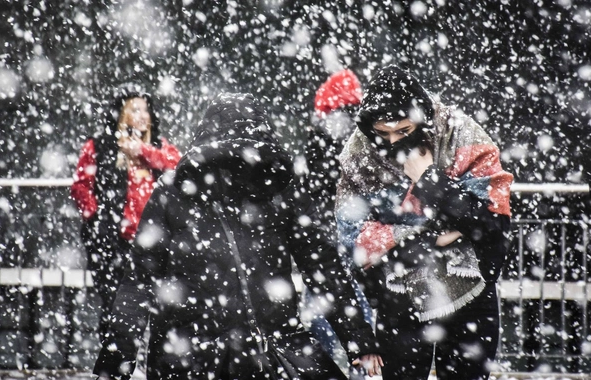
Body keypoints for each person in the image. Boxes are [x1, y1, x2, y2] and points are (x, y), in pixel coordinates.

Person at [93, 92, 383, 380]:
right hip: (264, 352)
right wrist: (358, 340)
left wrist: (114, 362)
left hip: (193, 356)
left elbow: (139, 281)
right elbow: (323, 267)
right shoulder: (276, 187)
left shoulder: (175, 192)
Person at [335, 65, 513, 380]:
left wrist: (428, 179)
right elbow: (354, 241)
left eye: (403, 131)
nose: (393, 142)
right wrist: (436, 236)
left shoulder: (461, 133)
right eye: (383, 133)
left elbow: (492, 222)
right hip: (400, 296)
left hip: (471, 291)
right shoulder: (359, 153)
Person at [70, 85, 181, 340]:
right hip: (111, 242)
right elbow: (80, 187)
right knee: (115, 305)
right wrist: (96, 217)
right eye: (135, 109)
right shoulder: (99, 146)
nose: (143, 115)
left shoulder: (159, 147)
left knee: (155, 305)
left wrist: (144, 152)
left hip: (154, 241)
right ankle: (117, 363)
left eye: (146, 110)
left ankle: (144, 360)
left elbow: (178, 167)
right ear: (120, 114)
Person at [301, 69, 370, 377]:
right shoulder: (362, 132)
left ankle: (323, 368)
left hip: (323, 234)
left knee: (318, 309)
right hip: (354, 231)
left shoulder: (320, 134)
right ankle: (361, 364)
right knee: (357, 301)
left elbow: (310, 188)